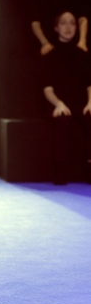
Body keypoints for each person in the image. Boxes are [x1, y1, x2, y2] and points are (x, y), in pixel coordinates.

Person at [41, 11, 91, 184]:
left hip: (80, 103)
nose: (68, 27)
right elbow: (47, 89)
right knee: (62, 121)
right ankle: (60, 174)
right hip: (58, 103)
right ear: (56, 28)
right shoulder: (50, 55)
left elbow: (89, 84)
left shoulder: (82, 54)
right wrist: (59, 104)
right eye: (63, 23)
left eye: (72, 23)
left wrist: (90, 102)